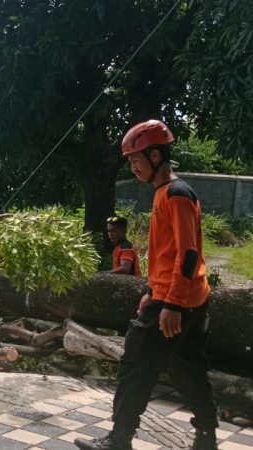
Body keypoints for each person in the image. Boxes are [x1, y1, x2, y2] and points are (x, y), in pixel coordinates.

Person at [75, 120, 217, 450]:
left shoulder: (177, 194)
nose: (133, 168)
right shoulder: (164, 193)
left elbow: (189, 254)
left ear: (154, 156)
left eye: (135, 161)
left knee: (135, 366)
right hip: (183, 298)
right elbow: (167, 257)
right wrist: (151, 292)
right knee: (189, 368)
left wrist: (170, 305)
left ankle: (120, 439)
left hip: (176, 302)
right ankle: (206, 436)